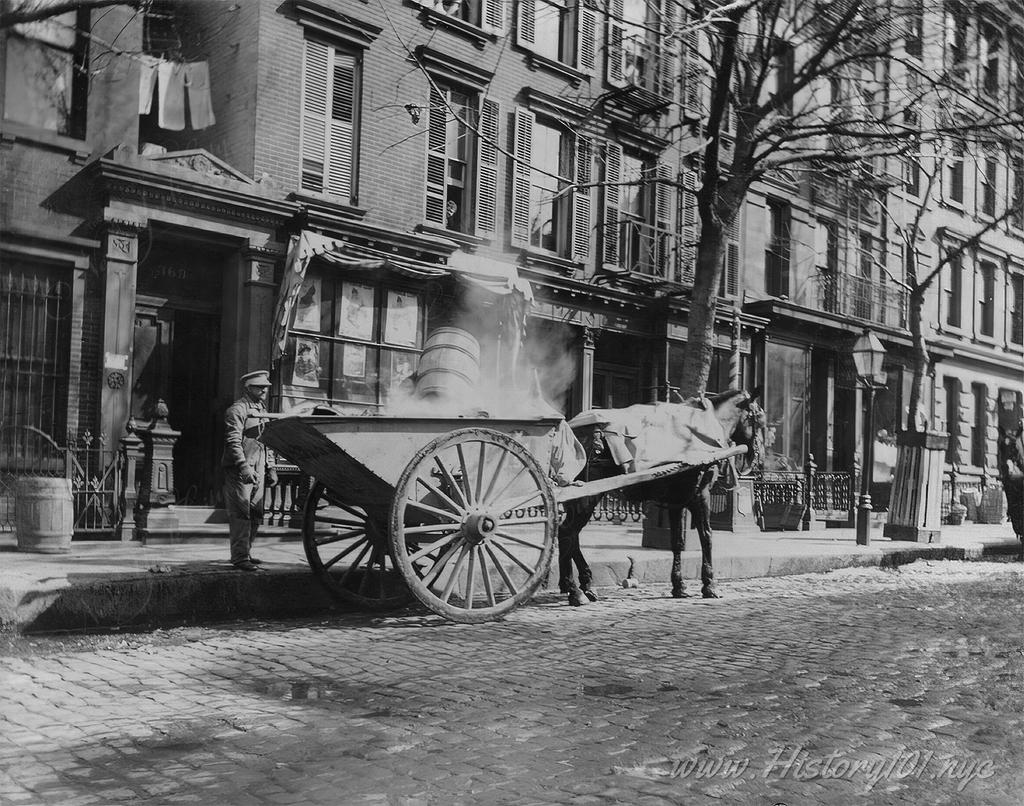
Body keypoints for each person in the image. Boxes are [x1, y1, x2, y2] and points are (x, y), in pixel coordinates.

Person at [222, 370, 278, 571]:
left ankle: (246, 552)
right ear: (248, 387)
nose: (264, 390)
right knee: (240, 513)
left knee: (255, 512)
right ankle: (239, 557)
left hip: (259, 466)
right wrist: (244, 466)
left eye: (265, 387)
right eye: (259, 386)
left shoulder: (261, 408)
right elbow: (233, 442)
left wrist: (271, 467)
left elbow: (267, 440)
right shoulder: (237, 410)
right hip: (241, 469)